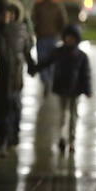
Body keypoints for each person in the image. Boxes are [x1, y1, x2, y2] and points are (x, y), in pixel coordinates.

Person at [29, 25, 91, 154]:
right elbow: (47, 62)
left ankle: (72, 141)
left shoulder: (81, 56)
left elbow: (86, 74)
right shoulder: (59, 52)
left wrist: (87, 89)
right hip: (62, 88)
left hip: (75, 90)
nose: (69, 40)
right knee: (63, 114)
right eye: (68, 37)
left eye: (72, 38)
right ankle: (62, 137)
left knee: (73, 116)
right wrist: (35, 68)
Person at [0, 1, 34, 155]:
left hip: (15, 76)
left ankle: (12, 138)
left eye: (11, 13)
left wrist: (32, 66)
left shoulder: (21, 30)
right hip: (1, 77)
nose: (8, 16)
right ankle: (1, 141)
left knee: (15, 108)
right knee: (3, 110)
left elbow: (26, 51)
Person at [31, 0, 67, 95]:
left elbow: (33, 19)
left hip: (41, 36)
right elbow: (63, 20)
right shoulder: (57, 6)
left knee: (42, 60)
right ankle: (49, 80)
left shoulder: (38, 6)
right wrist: (60, 32)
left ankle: (45, 80)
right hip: (53, 37)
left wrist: (36, 29)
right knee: (51, 61)